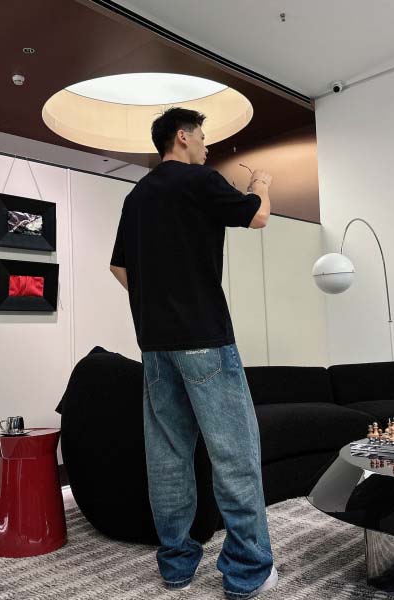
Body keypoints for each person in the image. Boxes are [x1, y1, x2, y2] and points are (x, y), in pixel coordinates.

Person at [109, 107, 277, 599]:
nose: (207, 147)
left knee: (168, 457)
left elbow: (119, 268)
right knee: (235, 454)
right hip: (204, 337)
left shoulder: (137, 195)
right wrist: (261, 183)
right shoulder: (200, 180)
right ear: (182, 137)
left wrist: (157, 303)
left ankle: (177, 566)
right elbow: (257, 215)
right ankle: (248, 572)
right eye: (202, 137)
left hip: (155, 346)